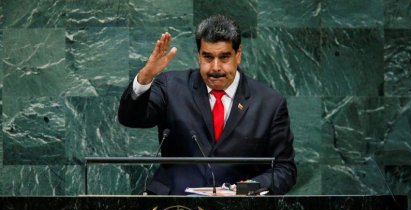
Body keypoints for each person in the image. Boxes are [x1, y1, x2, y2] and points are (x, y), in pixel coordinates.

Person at [118, 14, 296, 195]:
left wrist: (250, 186)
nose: (216, 67)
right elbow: (131, 118)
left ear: (238, 55)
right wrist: (145, 77)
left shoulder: (270, 103)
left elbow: (284, 169)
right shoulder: (170, 86)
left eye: (224, 57)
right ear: (199, 56)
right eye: (208, 57)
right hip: (174, 208)